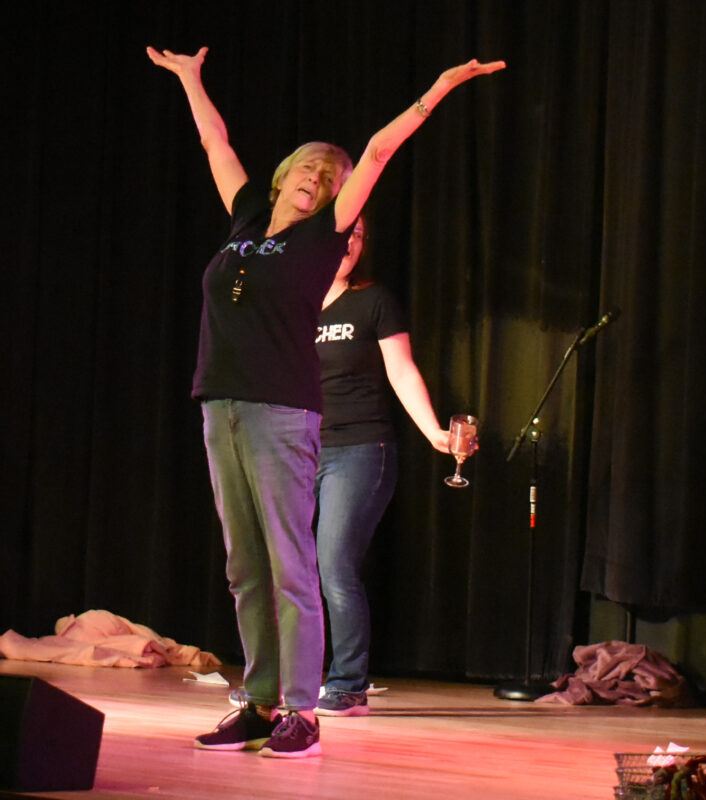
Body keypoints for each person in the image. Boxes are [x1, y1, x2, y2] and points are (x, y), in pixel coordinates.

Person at [146, 44, 504, 759]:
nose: (318, 177)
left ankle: (301, 712)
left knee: (289, 561)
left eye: (329, 175)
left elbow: (376, 150)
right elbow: (215, 142)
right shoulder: (247, 217)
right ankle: (257, 700)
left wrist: (437, 88)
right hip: (220, 403)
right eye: (307, 167)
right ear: (281, 177)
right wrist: (191, 79)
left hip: (282, 408)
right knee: (243, 565)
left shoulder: (322, 235)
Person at [313, 216, 449, 716]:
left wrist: (433, 430)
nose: (350, 242)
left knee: (335, 565)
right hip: (300, 448)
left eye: (359, 234)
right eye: (343, 231)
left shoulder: (372, 300)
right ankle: (282, 683)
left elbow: (402, 368)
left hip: (360, 449)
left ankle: (348, 684)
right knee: (286, 568)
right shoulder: (292, 303)